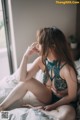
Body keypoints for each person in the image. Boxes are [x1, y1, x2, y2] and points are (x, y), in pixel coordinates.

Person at [0, 27, 78, 120]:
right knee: (26, 81)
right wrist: (26, 56)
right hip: (48, 95)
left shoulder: (67, 69)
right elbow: (22, 78)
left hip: (65, 102)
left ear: (52, 46)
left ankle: (41, 110)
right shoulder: (41, 61)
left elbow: (72, 96)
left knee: (67, 116)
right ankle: (1, 107)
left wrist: (52, 106)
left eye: (40, 43)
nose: (36, 45)